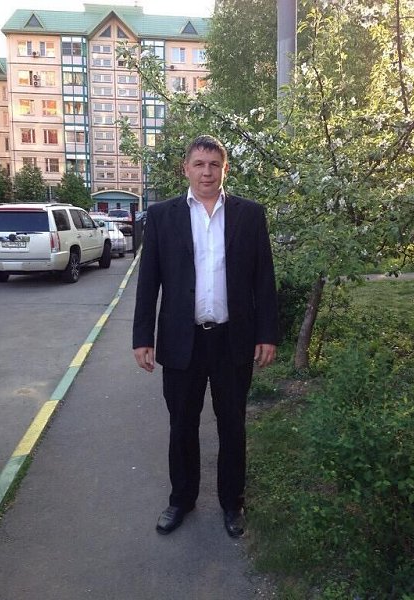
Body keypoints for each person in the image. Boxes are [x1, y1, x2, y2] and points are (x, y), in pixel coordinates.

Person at [133, 134, 278, 538]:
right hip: (183, 340)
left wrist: (267, 333)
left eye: (214, 164)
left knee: (233, 424)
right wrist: (143, 337)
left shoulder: (250, 215)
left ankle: (233, 503)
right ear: (186, 169)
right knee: (182, 424)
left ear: (225, 169)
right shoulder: (162, 216)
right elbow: (148, 282)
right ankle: (181, 499)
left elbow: (263, 279)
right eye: (199, 164)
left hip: (233, 339)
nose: (207, 172)